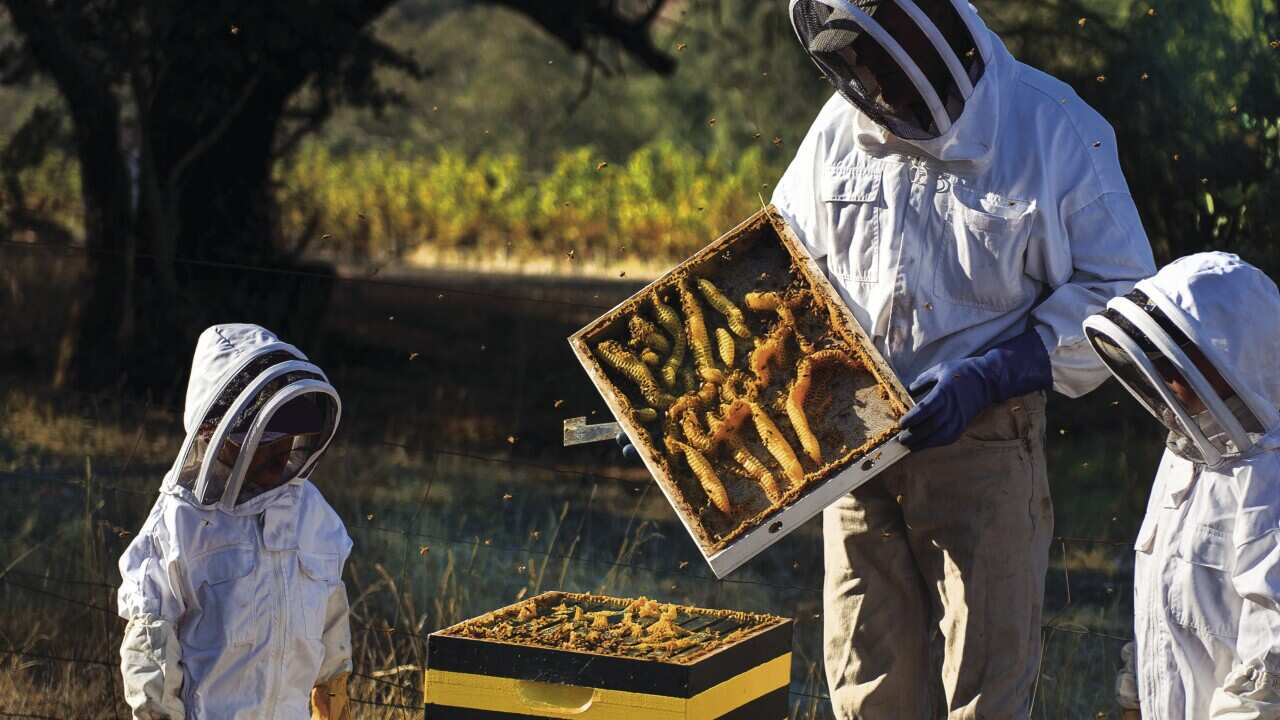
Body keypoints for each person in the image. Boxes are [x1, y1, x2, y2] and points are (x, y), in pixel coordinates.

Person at [774, 0, 1156, 716]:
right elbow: (789, 258)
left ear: (931, 44)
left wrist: (995, 372)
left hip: (985, 444)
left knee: (984, 687)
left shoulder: (1052, 128)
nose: (878, 99)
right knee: (866, 683)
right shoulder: (838, 130)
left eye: (884, 76)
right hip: (854, 443)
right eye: (862, 77)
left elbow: (1122, 289)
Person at [116, 324, 353, 719]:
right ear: (214, 431)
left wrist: (334, 693)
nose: (281, 449)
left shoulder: (311, 512)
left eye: (289, 433)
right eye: (265, 434)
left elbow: (331, 621)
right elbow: (151, 657)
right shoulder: (180, 524)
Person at [1086, 253, 1280, 719]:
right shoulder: (1185, 455)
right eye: (1157, 361)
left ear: (1232, 354)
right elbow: (1159, 600)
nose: (1167, 382)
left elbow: (1267, 675)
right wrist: (1133, 694)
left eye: (1179, 361)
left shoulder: (1269, 483)